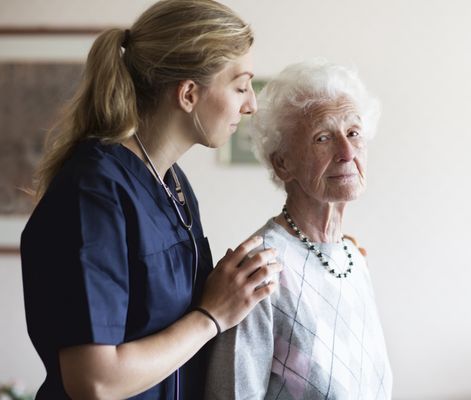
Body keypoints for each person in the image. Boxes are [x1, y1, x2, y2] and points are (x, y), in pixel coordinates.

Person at [20, 0, 282, 398]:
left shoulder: (173, 186)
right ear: (189, 93)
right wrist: (211, 316)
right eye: (241, 86)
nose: (251, 105)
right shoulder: (94, 191)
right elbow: (94, 382)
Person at [204, 59, 393, 399]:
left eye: (353, 133)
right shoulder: (259, 270)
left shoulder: (353, 259)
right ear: (283, 162)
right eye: (323, 137)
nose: (347, 152)